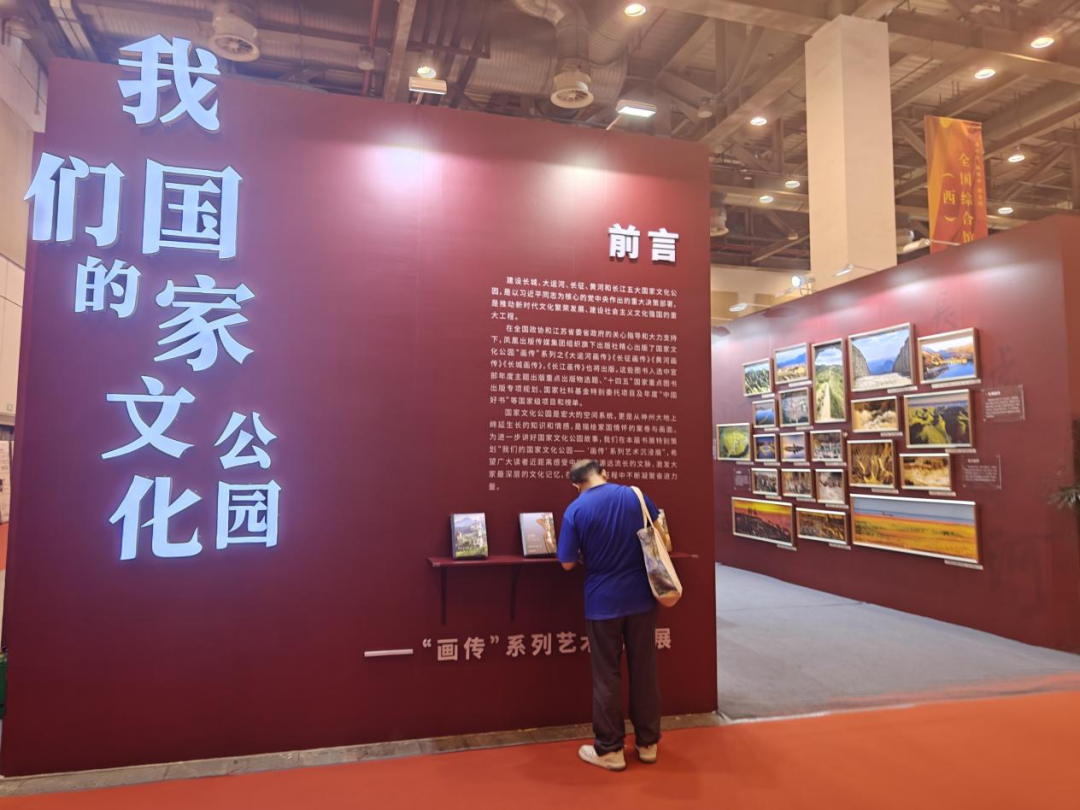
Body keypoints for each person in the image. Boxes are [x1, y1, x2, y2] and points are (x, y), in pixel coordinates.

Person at [558, 459, 662, 772]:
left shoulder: (576, 509)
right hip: (642, 598)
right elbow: (658, 534)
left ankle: (610, 749)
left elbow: (566, 563)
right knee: (644, 670)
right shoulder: (635, 496)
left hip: (602, 602)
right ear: (604, 473)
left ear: (576, 484)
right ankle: (648, 744)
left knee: (606, 675)